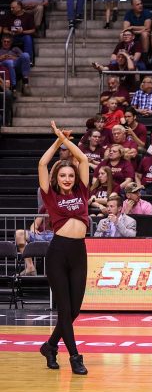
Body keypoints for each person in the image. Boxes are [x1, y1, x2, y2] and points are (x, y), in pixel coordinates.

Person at [37, 122, 91, 375]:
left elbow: (82, 158)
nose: (68, 178)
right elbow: (42, 164)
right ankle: (75, 356)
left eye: (70, 175)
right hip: (58, 253)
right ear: (56, 178)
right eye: (63, 175)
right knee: (64, 309)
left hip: (78, 252)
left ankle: (49, 345)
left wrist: (66, 140)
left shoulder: (82, 190)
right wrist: (57, 142)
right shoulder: (50, 194)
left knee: (75, 309)